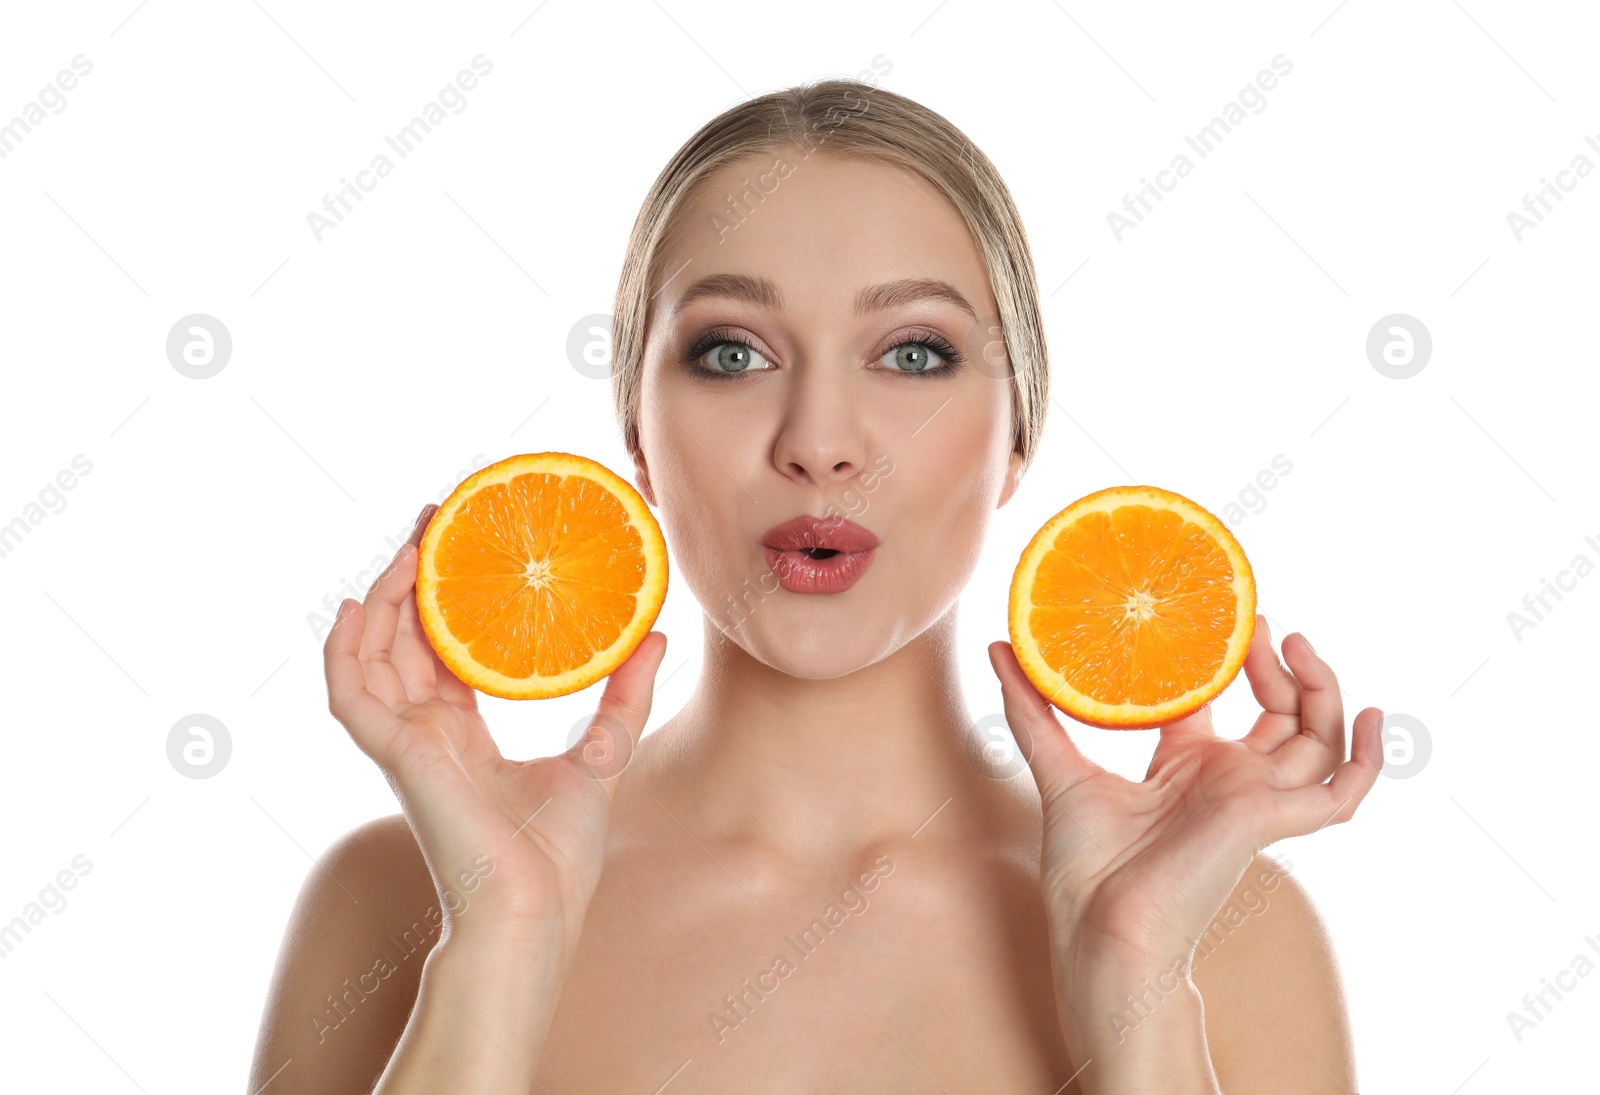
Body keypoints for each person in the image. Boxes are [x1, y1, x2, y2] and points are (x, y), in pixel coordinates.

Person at [249, 78, 1383, 1093]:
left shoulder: (1222, 933)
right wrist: (498, 945)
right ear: (636, 434)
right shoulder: (398, 904)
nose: (821, 443)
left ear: (1017, 437)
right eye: (731, 353)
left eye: (913, 353)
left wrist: (1136, 985)